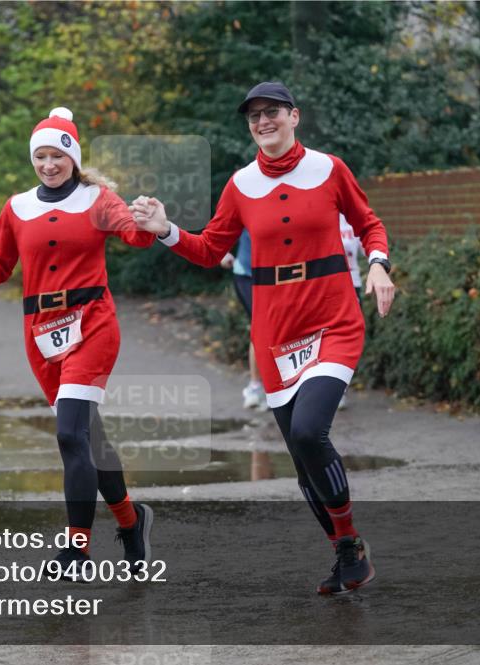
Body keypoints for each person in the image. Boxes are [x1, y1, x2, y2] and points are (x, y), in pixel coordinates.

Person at [131, 82, 395, 595]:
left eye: (272, 112)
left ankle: (349, 545)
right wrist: (166, 229)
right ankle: (348, 551)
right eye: (254, 116)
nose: (262, 121)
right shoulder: (240, 185)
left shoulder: (329, 169)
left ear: (294, 116)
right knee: (303, 464)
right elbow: (210, 249)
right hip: (275, 335)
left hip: (333, 320)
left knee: (307, 433)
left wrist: (379, 265)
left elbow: (370, 224)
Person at [0, 107, 154, 580]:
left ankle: (77, 550)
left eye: (57, 155)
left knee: (68, 434)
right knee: (88, 439)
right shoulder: (17, 207)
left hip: (93, 322)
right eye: (40, 156)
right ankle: (131, 520)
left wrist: (150, 222)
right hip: (41, 332)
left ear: (72, 157)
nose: (48, 164)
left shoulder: (98, 199)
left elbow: (134, 236)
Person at [220, 229, 268, 410]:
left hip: (280, 277)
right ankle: (255, 386)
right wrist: (221, 251)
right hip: (247, 274)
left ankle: (283, 385)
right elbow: (223, 226)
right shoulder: (246, 199)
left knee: (281, 329)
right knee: (261, 327)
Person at [337, 213, 365, 410]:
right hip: (327, 286)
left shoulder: (351, 217)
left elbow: (368, 244)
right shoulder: (318, 212)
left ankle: (340, 389)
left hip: (352, 284)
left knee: (346, 339)